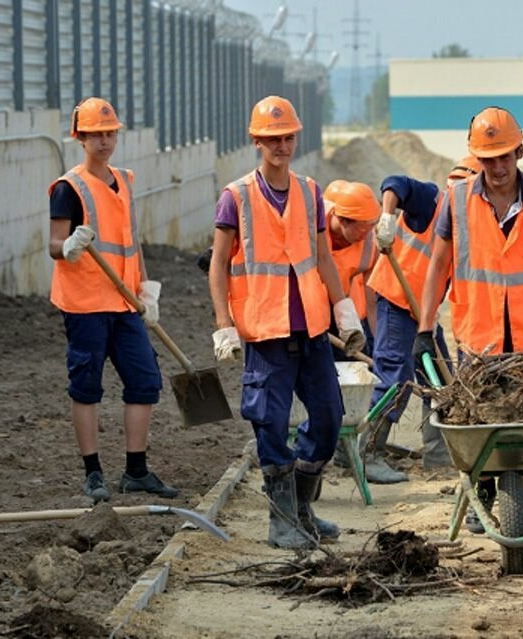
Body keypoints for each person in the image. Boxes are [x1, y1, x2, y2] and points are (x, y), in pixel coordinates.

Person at [412, 106, 523, 534]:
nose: (496, 168)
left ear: (520, 151)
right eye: (487, 159)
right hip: (479, 338)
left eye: (505, 157)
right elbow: (438, 266)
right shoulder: (456, 200)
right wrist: (423, 329)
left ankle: (516, 502)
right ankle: (483, 492)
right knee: (478, 422)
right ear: (475, 158)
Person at [207, 96, 365, 548]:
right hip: (266, 330)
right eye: (272, 139)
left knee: (330, 417)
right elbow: (219, 264)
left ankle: (300, 507)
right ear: (257, 141)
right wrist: (224, 325)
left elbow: (323, 256)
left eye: (288, 137)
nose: (281, 146)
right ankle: (281, 520)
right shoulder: (235, 197)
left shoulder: (310, 191)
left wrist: (343, 309)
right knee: (270, 422)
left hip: (312, 328)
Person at [48, 97, 177, 504]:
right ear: (80, 137)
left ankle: (136, 471)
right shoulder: (70, 188)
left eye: (109, 133)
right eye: (95, 134)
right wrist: (67, 245)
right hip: (86, 304)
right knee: (86, 387)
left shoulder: (125, 180)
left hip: (125, 303)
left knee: (145, 382)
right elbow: (53, 243)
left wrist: (144, 288)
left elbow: (129, 240)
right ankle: (93, 474)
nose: (103, 141)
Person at [362, 156, 483, 482]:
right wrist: (387, 218)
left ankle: (439, 456)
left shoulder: (468, 227)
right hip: (395, 301)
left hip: (423, 314)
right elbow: (394, 182)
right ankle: (368, 453)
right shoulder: (431, 202)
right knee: (395, 377)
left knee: (441, 381)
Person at [323, 181, 380, 359]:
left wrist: (379, 346)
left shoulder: (369, 244)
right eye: (362, 229)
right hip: (313, 316)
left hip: (347, 314)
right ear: (342, 220)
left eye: (371, 227)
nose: (366, 235)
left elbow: (372, 304)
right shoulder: (312, 233)